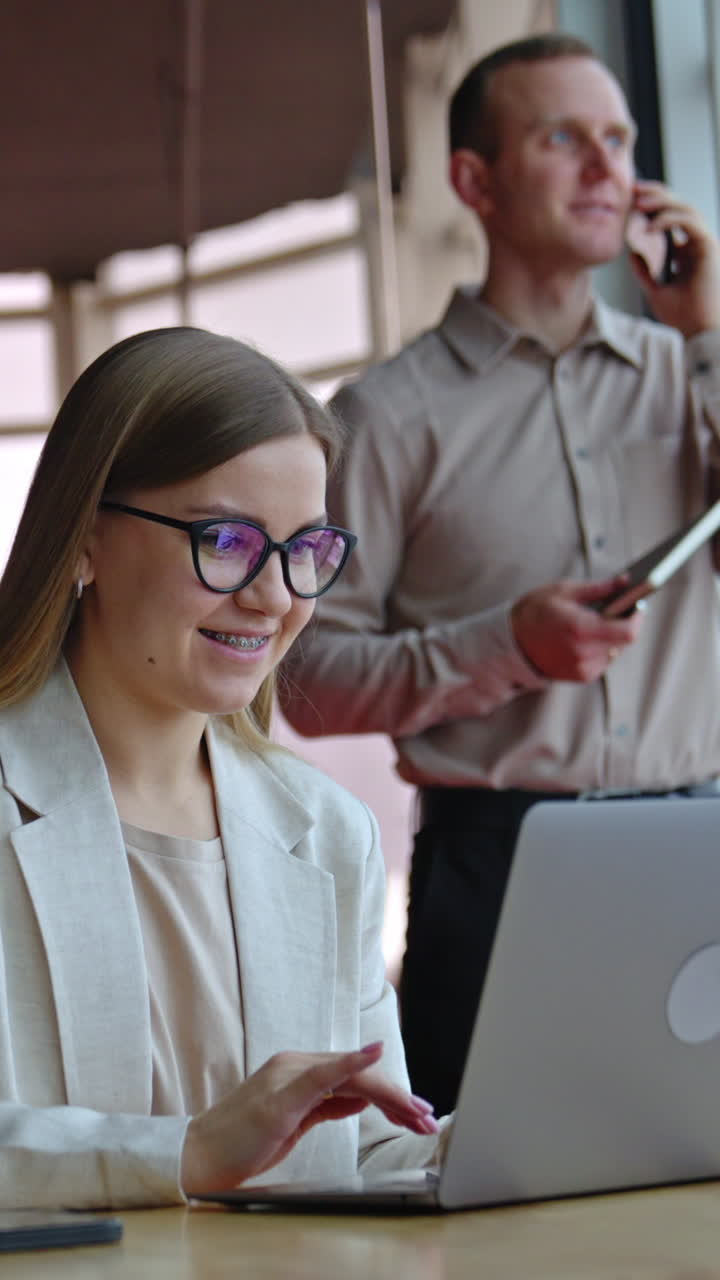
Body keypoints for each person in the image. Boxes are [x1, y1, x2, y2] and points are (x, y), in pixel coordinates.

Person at [282, 33, 720, 1117]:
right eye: (564, 138)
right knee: (491, 1183)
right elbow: (305, 680)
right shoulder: (385, 418)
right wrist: (504, 650)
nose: (607, 168)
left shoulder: (692, 373)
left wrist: (710, 331)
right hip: (497, 866)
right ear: (474, 181)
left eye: (618, 139)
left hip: (698, 848)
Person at [0, 326, 448, 1211]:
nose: (274, 596)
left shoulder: (328, 832)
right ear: (85, 537)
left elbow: (368, 1152)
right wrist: (189, 1151)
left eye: (305, 550)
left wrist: (531, 1139)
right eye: (227, 540)